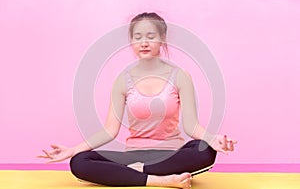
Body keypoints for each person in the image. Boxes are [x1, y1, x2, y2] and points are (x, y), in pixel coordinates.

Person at [38, 12, 237, 189]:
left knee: (204, 150)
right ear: (131, 41)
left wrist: (213, 139)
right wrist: (73, 150)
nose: (144, 42)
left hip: (171, 154)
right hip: (133, 155)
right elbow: (110, 130)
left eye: (151, 37)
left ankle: (133, 174)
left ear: (163, 39)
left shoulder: (180, 76)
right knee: (79, 161)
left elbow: (191, 126)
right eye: (138, 37)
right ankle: (160, 180)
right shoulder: (122, 80)